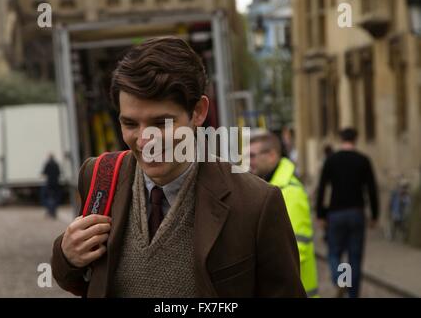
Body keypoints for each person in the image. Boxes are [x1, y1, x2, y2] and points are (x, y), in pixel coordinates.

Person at [51, 37, 306, 298]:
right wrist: (66, 255)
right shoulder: (98, 176)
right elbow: (81, 279)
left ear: (198, 112)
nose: (144, 140)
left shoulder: (257, 203)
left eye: (161, 123)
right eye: (130, 124)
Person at [249, 131, 319, 298]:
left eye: (252, 156)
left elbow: (296, 248)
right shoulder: (270, 188)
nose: (248, 162)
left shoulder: (290, 191)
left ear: (272, 156)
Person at [316, 127, 379, 298]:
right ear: (356, 139)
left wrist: (320, 214)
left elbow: (322, 189)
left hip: (336, 213)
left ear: (340, 139)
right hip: (357, 213)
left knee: (334, 252)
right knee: (355, 258)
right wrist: (374, 215)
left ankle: (341, 280)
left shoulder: (332, 160)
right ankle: (352, 295)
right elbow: (372, 189)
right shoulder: (363, 160)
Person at [42, 154, 61, 219]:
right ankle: (54, 212)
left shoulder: (48, 164)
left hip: (49, 184)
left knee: (49, 198)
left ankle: (50, 211)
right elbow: (59, 173)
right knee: (55, 198)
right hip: (56, 183)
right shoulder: (56, 164)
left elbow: (44, 172)